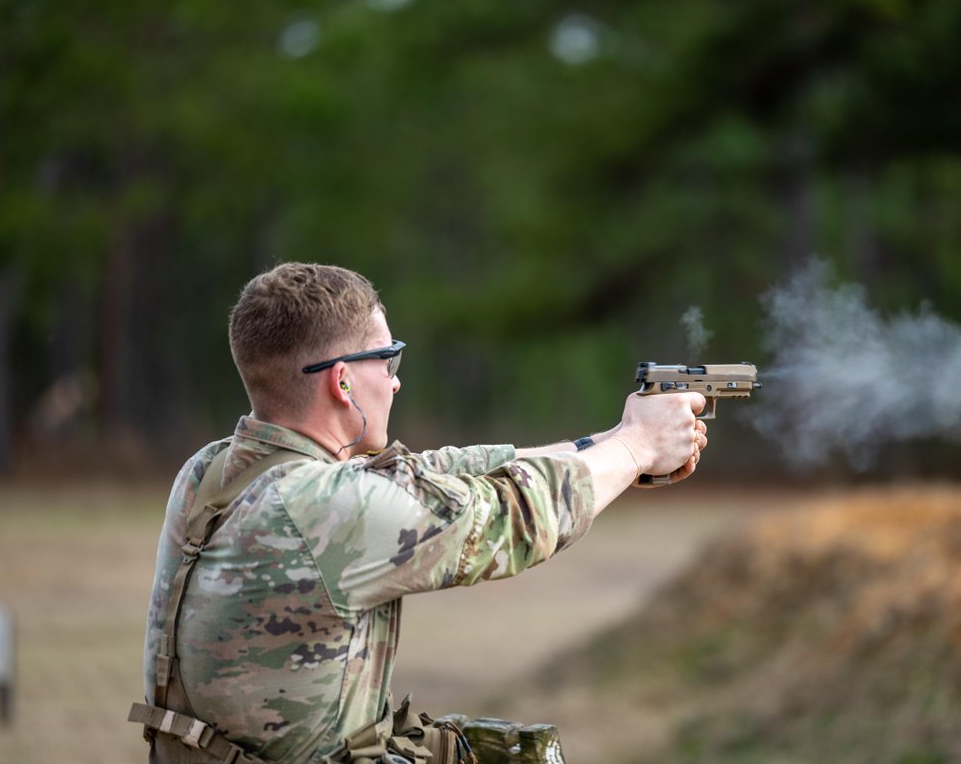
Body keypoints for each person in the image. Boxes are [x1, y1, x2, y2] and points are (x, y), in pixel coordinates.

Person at [134, 262, 707, 764]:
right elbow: (514, 515)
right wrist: (638, 447)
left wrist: (608, 440)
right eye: (386, 360)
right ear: (342, 381)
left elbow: (433, 473)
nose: (396, 380)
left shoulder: (212, 470)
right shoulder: (320, 506)